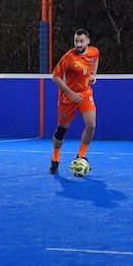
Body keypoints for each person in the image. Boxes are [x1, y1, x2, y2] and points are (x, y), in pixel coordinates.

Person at [49, 28, 100, 175]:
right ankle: (55, 158)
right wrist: (71, 94)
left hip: (85, 94)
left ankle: (81, 156)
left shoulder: (93, 51)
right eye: (76, 41)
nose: (78, 44)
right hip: (67, 98)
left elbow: (96, 59)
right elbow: (55, 77)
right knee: (61, 131)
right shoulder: (68, 58)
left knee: (91, 125)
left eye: (81, 41)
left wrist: (93, 74)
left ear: (88, 41)